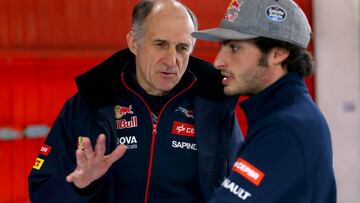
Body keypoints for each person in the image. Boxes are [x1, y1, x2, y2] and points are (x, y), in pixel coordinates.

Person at [28, 0, 242, 202]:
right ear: (133, 42)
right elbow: (41, 192)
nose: (171, 60)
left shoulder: (214, 109)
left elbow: (242, 190)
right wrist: (79, 185)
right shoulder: (89, 104)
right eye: (160, 44)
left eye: (182, 48)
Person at [192, 0, 336, 202]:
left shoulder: (286, 127)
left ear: (278, 54)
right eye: (222, 46)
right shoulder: (288, 114)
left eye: (234, 48)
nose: (218, 62)